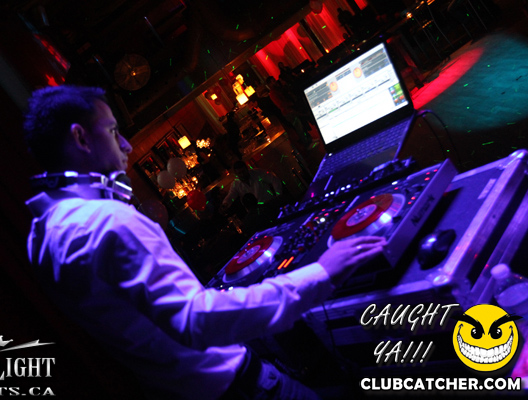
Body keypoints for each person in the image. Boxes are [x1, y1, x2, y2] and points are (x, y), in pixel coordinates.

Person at [23, 85, 386, 400]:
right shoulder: (109, 221)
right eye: (113, 131)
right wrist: (321, 273)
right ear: (81, 139)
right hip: (239, 388)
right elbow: (195, 319)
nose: (127, 145)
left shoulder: (43, 236)